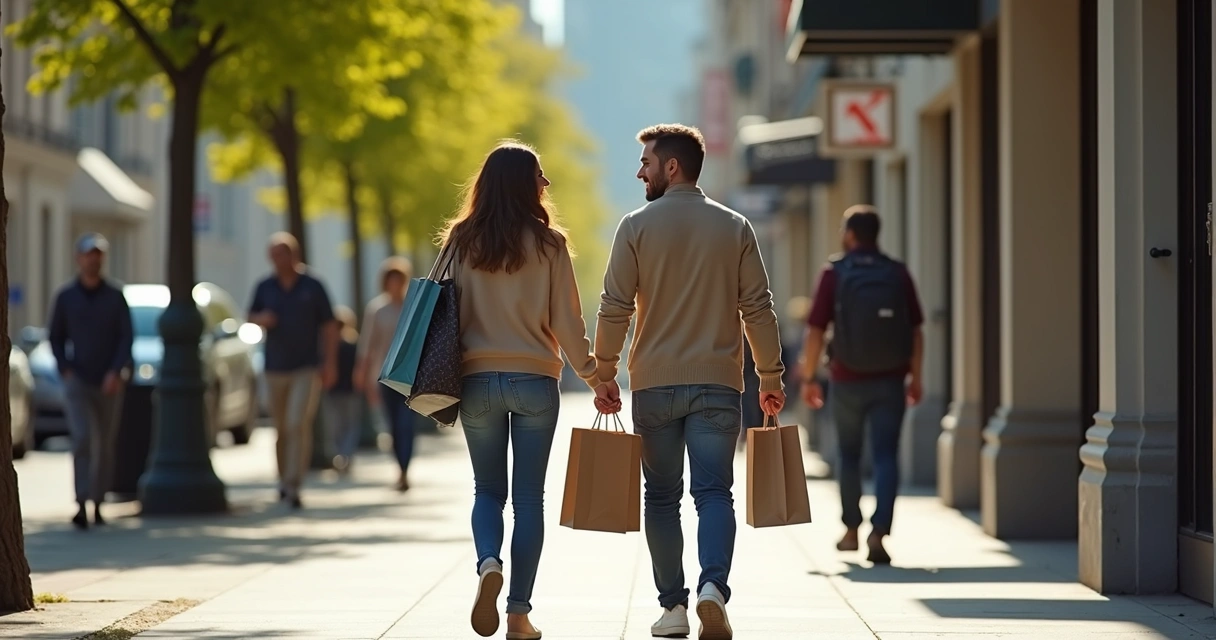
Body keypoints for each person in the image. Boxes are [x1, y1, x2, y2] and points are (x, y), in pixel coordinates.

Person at [594, 124, 785, 640]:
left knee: (660, 497)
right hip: (719, 385)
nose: (640, 172)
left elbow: (615, 307)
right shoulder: (735, 227)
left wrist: (604, 372)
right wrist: (769, 374)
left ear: (671, 166)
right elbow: (758, 309)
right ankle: (713, 590)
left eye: (646, 163)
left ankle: (674, 608)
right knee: (714, 492)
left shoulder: (634, 226)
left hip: (654, 385)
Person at [443, 141, 615, 640]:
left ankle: (487, 562)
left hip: (476, 381)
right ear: (525, 182)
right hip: (536, 381)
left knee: (486, 491)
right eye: (540, 175)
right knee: (529, 499)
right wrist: (594, 377)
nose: (546, 184)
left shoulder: (460, 239)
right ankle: (518, 615)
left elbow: (445, 313)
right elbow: (567, 321)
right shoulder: (550, 244)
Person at [799, 205, 924, 565]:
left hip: (846, 379)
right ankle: (879, 533)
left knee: (849, 455)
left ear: (850, 234)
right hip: (890, 380)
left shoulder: (834, 273)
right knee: (887, 455)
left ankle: (851, 530)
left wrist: (809, 377)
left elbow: (815, 331)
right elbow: (916, 330)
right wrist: (916, 376)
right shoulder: (897, 273)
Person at [247, 232, 339, 509]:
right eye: (273, 255)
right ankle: (282, 479)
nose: (277, 259)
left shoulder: (313, 285)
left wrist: (330, 362)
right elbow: (249, 315)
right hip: (275, 368)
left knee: (296, 423)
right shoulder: (265, 286)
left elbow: (330, 325)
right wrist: (262, 319)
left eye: (282, 254)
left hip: (306, 368)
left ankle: (293, 483)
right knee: (280, 428)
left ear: (294, 255)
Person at [48, 233, 133, 530]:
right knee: (82, 438)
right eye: (88, 254)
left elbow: (126, 338)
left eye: (98, 254)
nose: (93, 259)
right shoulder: (66, 297)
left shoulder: (115, 296)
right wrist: (65, 368)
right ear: (78, 258)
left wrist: (116, 371)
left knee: (104, 443)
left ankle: (98, 501)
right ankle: (81, 501)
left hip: (108, 381)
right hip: (78, 380)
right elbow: (55, 337)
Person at [353, 257, 421, 491]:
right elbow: (367, 345)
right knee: (393, 425)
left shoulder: (413, 306)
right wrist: (362, 374)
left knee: (406, 424)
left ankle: (405, 469)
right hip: (385, 375)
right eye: (391, 280)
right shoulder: (377, 310)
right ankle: (399, 468)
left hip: (411, 376)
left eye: (399, 280)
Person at [323, 304, 362, 475]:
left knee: (341, 426)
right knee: (344, 426)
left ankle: (343, 455)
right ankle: (344, 455)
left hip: (344, 391)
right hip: (341, 391)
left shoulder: (350, 346)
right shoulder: (346, 346)